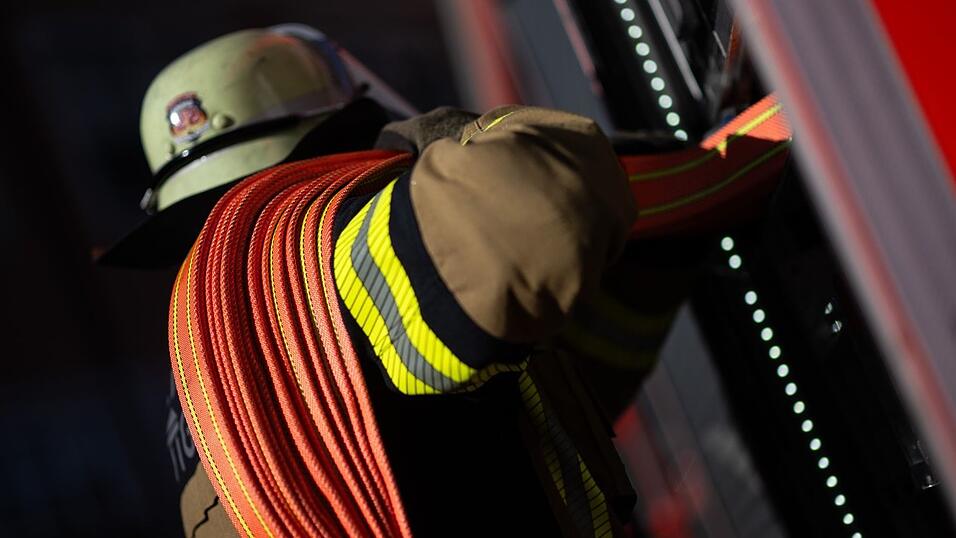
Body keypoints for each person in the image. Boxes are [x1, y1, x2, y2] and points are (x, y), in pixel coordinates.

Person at [104, 24, 791, 538]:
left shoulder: (210, 385)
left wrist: (655, 245)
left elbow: (517, 402)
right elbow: (541, 206)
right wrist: (429, 148)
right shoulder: (332, 264)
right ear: (341, 127)